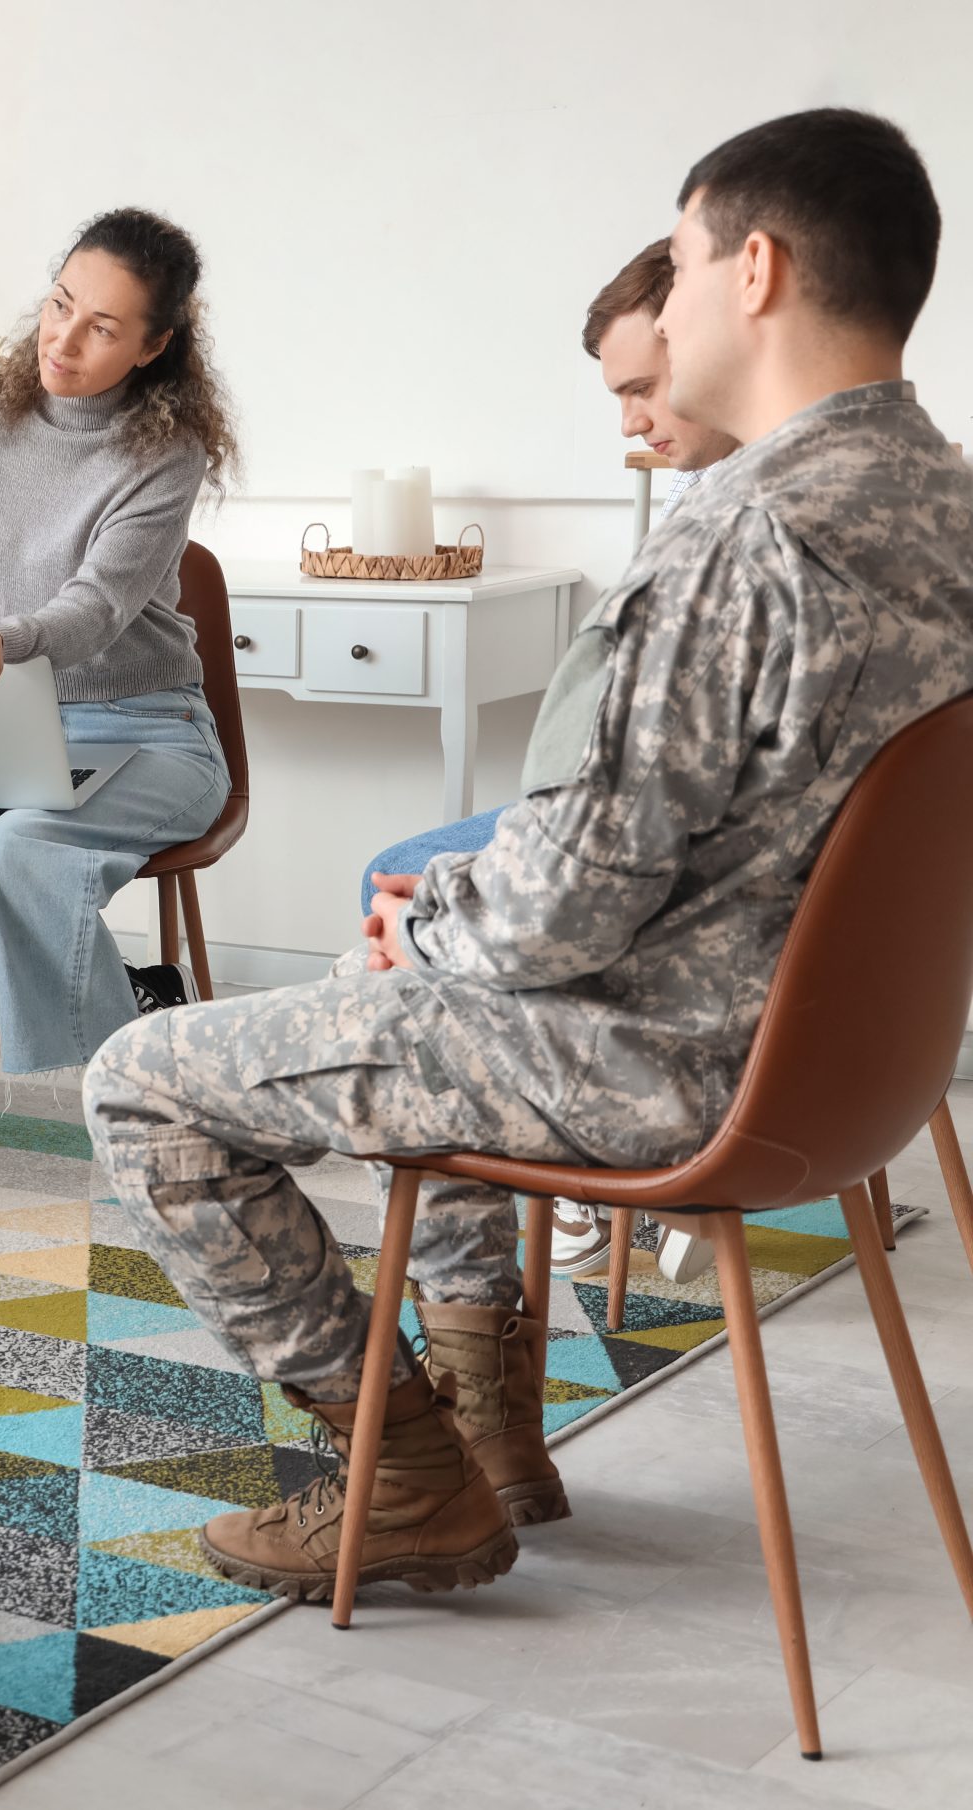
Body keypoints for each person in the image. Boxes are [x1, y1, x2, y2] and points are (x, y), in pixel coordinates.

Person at [83, 108, 971, 1602]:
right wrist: (451, 926)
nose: (671, 297)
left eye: (680, 263)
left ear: (754, 269)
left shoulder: (740, 539)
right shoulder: (949, 511)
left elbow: (561, 909)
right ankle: (500, 1439)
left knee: (144, 1082)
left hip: (661, 1062)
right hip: (845, 1069)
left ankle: (413, 1476)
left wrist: (422, 932)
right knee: (436, 979)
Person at [356, 237, 743, 1286]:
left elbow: (603, 852)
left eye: (645, 387)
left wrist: (434, 922)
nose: (631, 419)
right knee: (430, 881)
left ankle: (563, 1181)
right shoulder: (758, 507)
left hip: (681, 949)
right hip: (807, 982)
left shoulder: (727, 545)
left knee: (400, 893)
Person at [0, 209, 235, 1078]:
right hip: (13, 731)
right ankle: (123, 1011)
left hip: (150, 731)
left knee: (11, 851)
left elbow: (97, 607)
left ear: (152, 348)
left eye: (101, 328)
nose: (63, 339)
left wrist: (2, 637)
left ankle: (127, 1092)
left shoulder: (166, 451)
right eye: (59, 303)